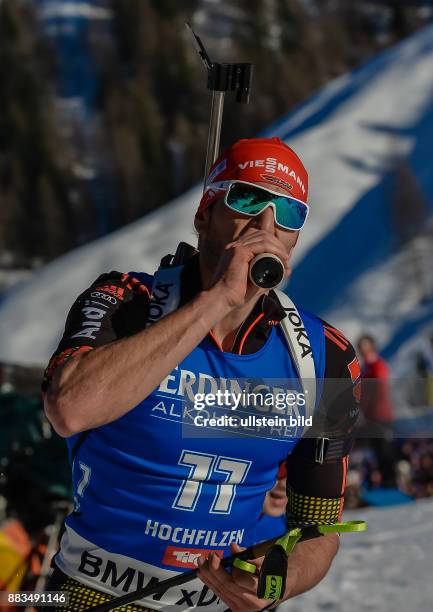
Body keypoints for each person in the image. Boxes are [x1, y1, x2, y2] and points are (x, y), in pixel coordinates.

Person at [42, 137, 360, 612]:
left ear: (296, 237)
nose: (265, 224)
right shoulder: (126, 300)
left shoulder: (324, 356)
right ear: (203, 214)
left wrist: (276, 583)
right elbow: (68, 409)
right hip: (91, 595)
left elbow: (318, 531)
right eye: (247, 198)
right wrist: (217, 300)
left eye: (289, 213)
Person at [357, 334, 396, 488]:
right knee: (377, 451)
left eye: (366, 345)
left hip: (381, 415)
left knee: (385, 450)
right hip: (370, 417)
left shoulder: (378, 365)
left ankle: (392, 482)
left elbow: (379, 389)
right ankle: (386, 483)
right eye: (361, 346)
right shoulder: (364, 367)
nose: (363, 349)